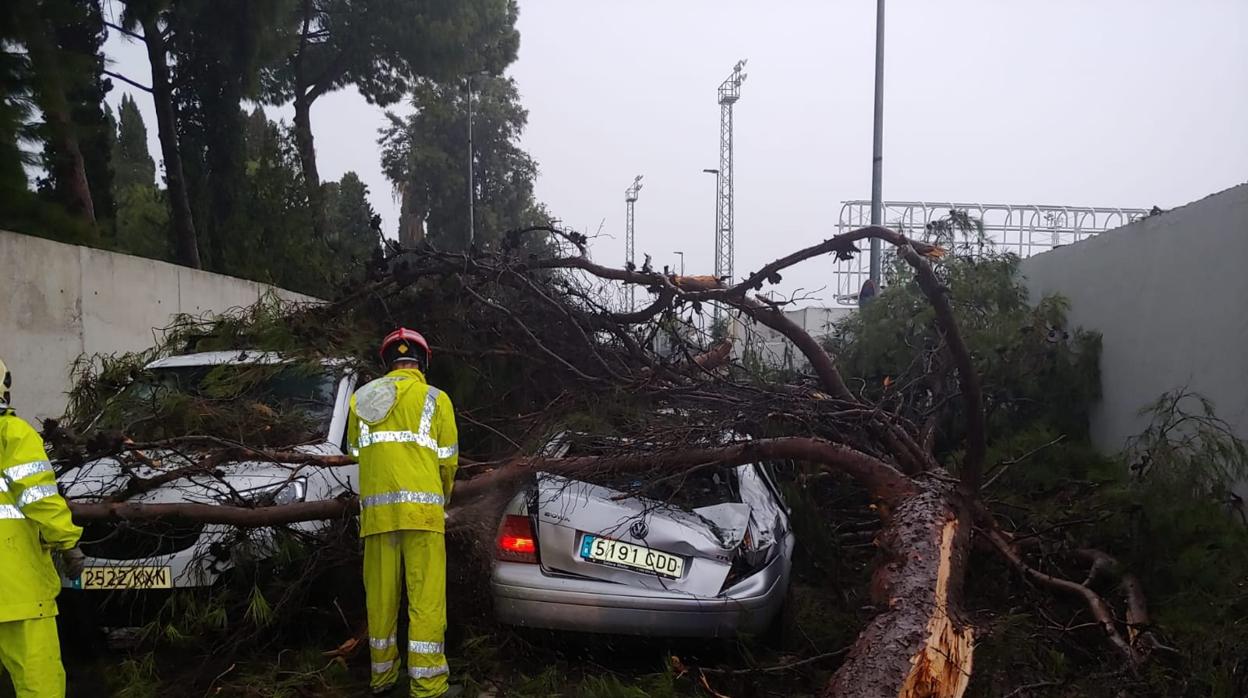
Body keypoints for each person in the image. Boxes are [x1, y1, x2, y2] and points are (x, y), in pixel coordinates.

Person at [348, 329, 459, 697]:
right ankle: (428, 685)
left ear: (387, 362)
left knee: (380, 600)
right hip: (423, 517)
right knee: (426, 599)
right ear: (423, 361)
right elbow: (448, 462)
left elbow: (354, 452)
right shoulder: (436, 399)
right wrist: (442, 500)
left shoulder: (361, 399)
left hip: (377, 519)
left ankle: (382, 678)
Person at [0, 357, 84, 697]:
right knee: (39, 680)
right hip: (16, 586)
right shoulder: (12, 433)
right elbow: (38, 496)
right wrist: (67, 542)